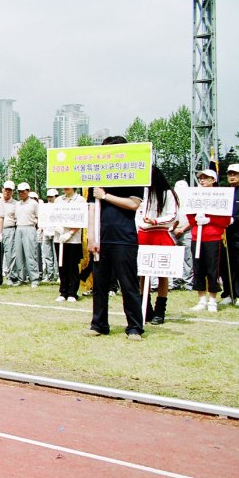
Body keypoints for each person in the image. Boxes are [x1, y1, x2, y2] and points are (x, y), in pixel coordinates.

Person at [87, 136, 144, 340]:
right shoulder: (96, 176)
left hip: (124, 237)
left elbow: (133, 204)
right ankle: (99, 324)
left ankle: (135, 327)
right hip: (101, 239)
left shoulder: (133, 174)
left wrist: (106, 196)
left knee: (128, 284)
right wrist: (91, 237)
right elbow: (91, 208)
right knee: (100, 284)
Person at [135, 166, 179, 324]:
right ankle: (145, 308)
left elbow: (172, 215)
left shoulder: (168, 194)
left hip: (160, 234)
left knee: (162, 274)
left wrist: (155, 221)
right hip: (143, 235)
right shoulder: (142, 193)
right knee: (142, 273)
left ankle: (160, 310)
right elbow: (137, 213)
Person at [187, 169, 230, 313]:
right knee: (198, 268)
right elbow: (189, 213)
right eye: (201, 178)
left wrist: (210, 220)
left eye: (206, 178)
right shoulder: (194, 195)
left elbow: (225, 219)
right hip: (196, 237)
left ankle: (212, 299)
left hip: (213, 237)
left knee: (213, 269)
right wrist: (195, 220)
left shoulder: (220, 196)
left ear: (213, 180)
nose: (202, 180)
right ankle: (201, 299)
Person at [54, 187, 85, 303]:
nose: (65, 188)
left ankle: (72, 292)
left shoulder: (80, 200)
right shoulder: (58, 200)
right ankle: (63, 292)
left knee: (72, 266)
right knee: (62, 266)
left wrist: (70, 232)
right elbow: (52, 215)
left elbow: (81, 219)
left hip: (73, 239)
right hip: (59, 237)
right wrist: (56, 226)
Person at [223, 164, 239, 307]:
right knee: (225, 265)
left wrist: (234, 219)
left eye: (235, 174)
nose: (232, 176)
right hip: (224, 235)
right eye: (230, 173)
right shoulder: (223, 192)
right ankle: (228, 294)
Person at [14, 182, 40, 287]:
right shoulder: (17, 204)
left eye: (23, 192)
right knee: (19, 255)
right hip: (19, 228)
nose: (21, 194)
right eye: (19, 192)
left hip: (29, 228)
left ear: (28, 191)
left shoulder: (34, 203)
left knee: (30, 254)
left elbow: (39, 218)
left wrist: (36, 229)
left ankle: (34, 278)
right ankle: (21, 277)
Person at [40, 188, 59, 283]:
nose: (50, 199)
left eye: (52, 197)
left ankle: (58, 275)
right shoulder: (45, 206)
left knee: (56, 256)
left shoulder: (59, 207)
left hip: (57, 233)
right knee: (47, 255)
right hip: (46, 233)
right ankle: (49, 275)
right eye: (48, 197)